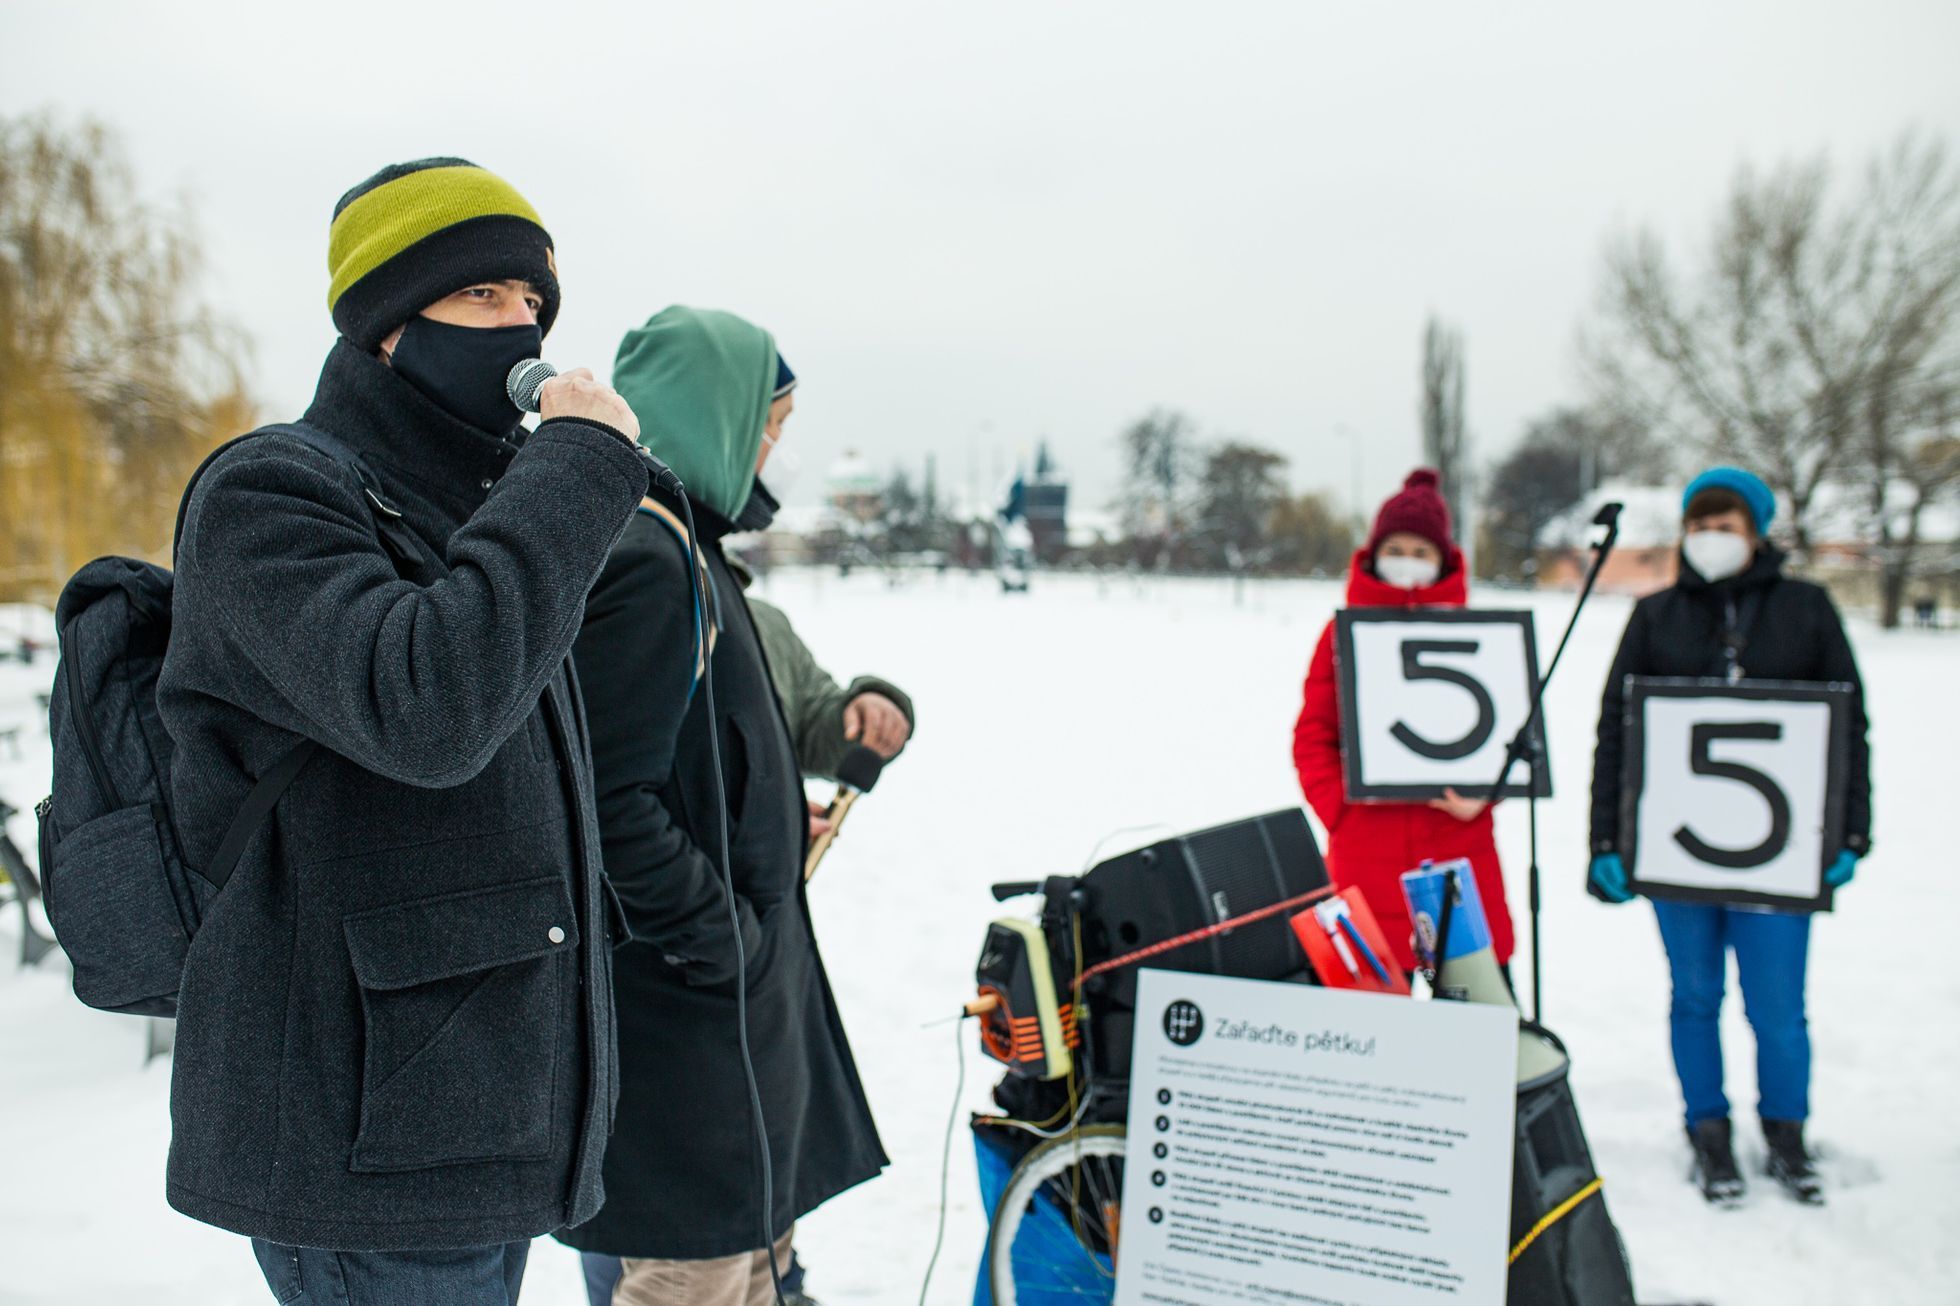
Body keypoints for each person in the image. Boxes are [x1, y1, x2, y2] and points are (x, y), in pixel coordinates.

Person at [157, 158, 651, 1302]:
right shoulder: (271, 494)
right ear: (386, 323)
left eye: (534, 302)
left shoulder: (480, 507)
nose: (523, 325)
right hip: (364, 1136)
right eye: (483, 296)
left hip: (475, 1113)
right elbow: (429, 708)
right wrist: (574, 471)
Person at [561, 306, 886, 1306]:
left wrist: (767, 826)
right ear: (708, 414)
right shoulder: (648, 558)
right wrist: (718, 936)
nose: (770, 451)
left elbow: (706, 761)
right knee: (691, 1271)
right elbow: (611, 802)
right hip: (687, 1031)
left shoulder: (687, 551)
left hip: (725, 1027)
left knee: (746, 1262)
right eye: (764, 424)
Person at [1587, 466, 1871, 1207]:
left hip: (1777, 858)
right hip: (1678, 853)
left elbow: (1849, 727)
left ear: (1756, 533)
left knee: (1777, 1005)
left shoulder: (1806, 609)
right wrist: (1606, 844)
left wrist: (1849, 834)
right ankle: (1707, 1132)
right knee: (1694, 997)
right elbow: (1614, 733)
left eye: (1727, 526)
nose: (1711, 539)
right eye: (1700, 526)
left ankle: (1786, 1132)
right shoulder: (1654, 615)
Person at [1292, 468, 1516, 972]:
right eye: (1397, 550)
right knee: (1370, 1028)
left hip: (1461, 850)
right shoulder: (1339, 636)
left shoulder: (1475, 634)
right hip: (1365, 855)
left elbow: (1510, 738)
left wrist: (1486, 795)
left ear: (1442, 561)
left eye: (1421, 553)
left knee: (1476, 1024)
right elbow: (1313, 735)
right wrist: (1341, 810)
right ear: (1375, 554)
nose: (1407, 564)